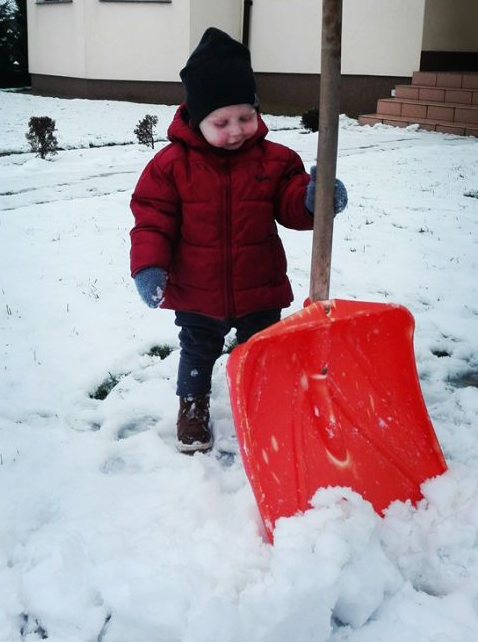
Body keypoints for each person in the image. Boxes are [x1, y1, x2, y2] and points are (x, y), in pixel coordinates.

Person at [130, 27, 347, 453]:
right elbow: (152, 219)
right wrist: (149, 267)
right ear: (195, 117)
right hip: (197, 289)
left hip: (258, 285)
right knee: (197, 350)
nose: (236, 131)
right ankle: (192, 405)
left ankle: (262, 400)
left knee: (263, 351)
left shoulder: (276, 160)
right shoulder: (171, 166)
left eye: (245, 117)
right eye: (221, 122)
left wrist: (313, 200)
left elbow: (289, 204)